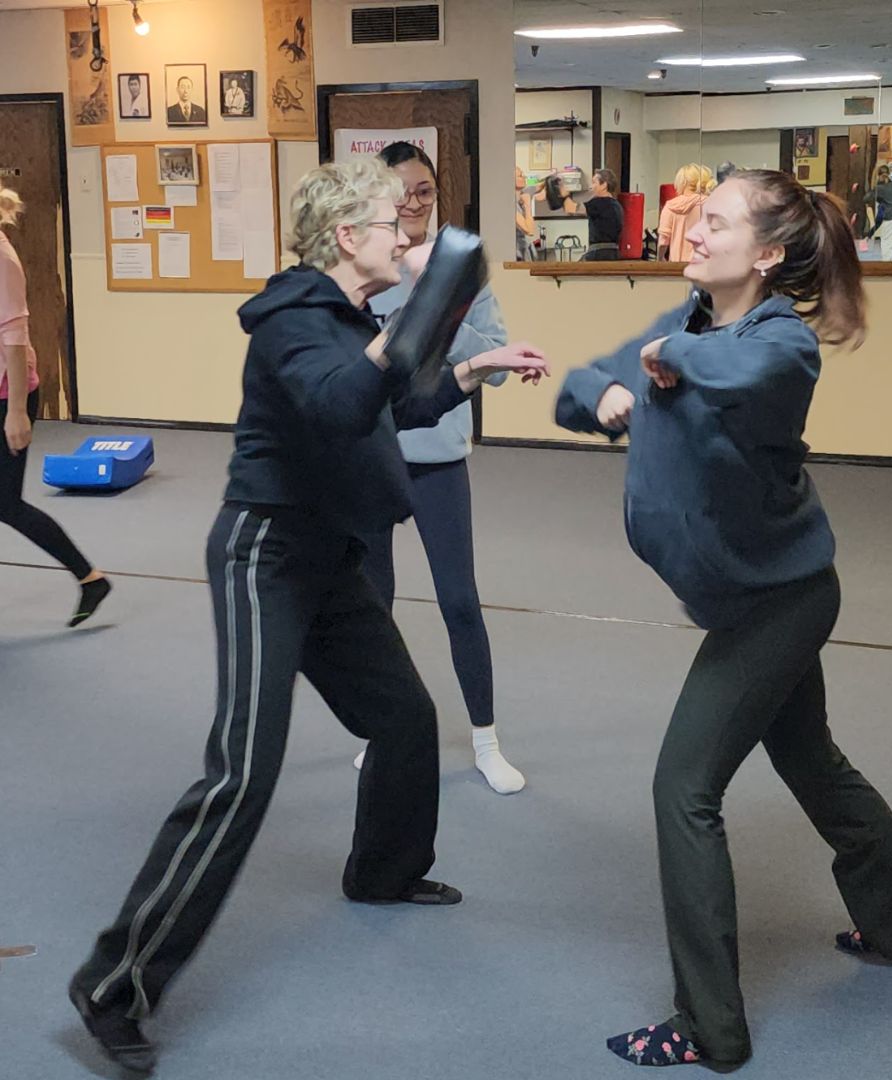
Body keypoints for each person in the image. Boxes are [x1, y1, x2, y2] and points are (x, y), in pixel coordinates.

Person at [68, 158, 548, 1074]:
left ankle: (382, 872)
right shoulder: (292, 316)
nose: (405, 235)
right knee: (242, 773)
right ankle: (111, 983)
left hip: (328, 559)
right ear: (345, 238)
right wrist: (410, 322)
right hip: (266, 556)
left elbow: (394, 405)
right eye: (389, 224)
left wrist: (470, 366)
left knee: (405, 719)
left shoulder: (353, 317)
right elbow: (337, 404)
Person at [556, 170, 892, 1071]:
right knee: (810, 757)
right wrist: (606, 394)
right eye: (695, 218)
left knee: (682, 788)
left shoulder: (775, 340)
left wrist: (664, 362)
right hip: (746, 593)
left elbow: (741, 370)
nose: (691, 231)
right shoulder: (686, 322)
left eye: (715, 222)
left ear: (767, 254)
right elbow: (582, 385)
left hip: (780, 602)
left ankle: (709, 1028)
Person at [355, 141, 525, 795]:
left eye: (424, 189)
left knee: (458, 600)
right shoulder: (367, 262)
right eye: (400, 192)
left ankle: (486, 741)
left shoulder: (461, 265)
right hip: (372, 457)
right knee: (374, 604)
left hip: (437, 460)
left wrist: (442, 301)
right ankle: (380, 733)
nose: (414, 203)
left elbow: (499, 365)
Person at [0, 187, 110, 627]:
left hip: (8, 393)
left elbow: (14, 331)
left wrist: (16, 412)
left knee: (7, 505)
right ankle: (90, 579)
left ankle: (89, 578)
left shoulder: (3, 257)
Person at [546, 168, 624, 260]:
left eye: (594, 182)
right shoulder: (616, 205)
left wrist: (563, 192)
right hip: (614, 253)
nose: (592, 186)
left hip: (599, 254)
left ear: (604, 185)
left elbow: (570, 208)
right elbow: (572, 210)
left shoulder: (600, 203)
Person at [657, 164, 715, 263]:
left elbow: (663, 241)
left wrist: (661, 258)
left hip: (676, 265)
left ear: (681, 182)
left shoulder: (670, 206)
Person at [515, 165, 537, 260]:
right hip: (518, 254)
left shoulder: (522, 193)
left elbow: (538, 185)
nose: (524, 177)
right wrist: (528, 205)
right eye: (520, 176)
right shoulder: (510, 205)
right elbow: (530, 230)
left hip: (525, 251)